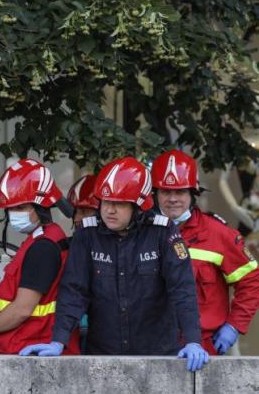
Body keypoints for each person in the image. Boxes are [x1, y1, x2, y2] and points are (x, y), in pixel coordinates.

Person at [20, 156, 209, 372]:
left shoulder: (163, 232)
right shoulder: (87, 234)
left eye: (119, 204)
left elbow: (182, 290)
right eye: (106, 202)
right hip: (102, 357)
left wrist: (193, 340)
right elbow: (74, 291)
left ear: (138, 207)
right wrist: (58, 341)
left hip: (158, 356)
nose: (110, 210)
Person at [152, 149, 259, 355]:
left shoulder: (218, 234)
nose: (173, 198)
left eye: (180, 191)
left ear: (193, 194)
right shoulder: (142, 233)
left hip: (204, 349)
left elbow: (251, 280)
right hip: (151, 347)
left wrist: (233, 326)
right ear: (155, 194)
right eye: (166, 191)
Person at [0, 159, 79, 354]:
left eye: (21, 208)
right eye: (10, 209)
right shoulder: (45, 238)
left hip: (28, 349)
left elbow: (22, 309)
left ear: (41, 208)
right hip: (25, 346)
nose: (13, 215)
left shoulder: (42, 249)